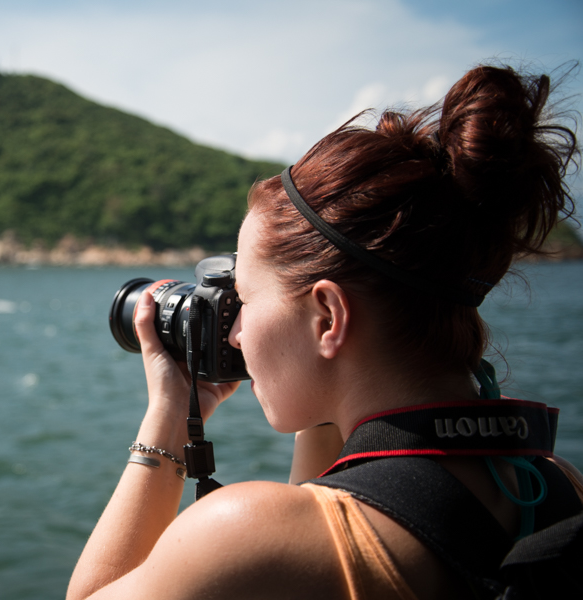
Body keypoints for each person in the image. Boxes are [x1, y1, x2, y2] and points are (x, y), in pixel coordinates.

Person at [67, 65, 582, 600]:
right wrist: (320, 387)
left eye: (244, 298)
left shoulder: (245, 533)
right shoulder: (556, 487)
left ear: (328, 318)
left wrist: (169, 415)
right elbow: (338, 500)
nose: (235, 332)